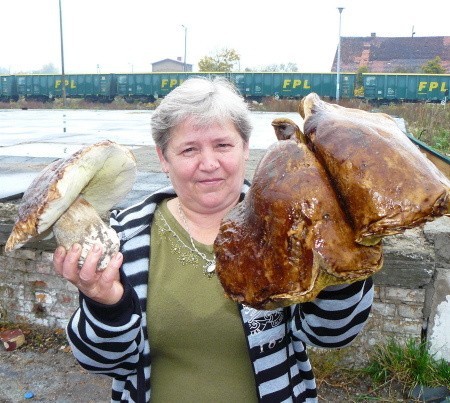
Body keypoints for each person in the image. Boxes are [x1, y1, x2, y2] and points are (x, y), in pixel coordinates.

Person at [53, 76, 374, 403]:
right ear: (164, 159)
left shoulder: (287, 225)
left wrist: (346, 255)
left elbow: (330, 334)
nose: (209, 164)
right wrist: (105, 304)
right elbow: (100, 361)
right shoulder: (126, 237)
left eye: (223, 145)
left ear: (246, 148)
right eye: (189, 149)